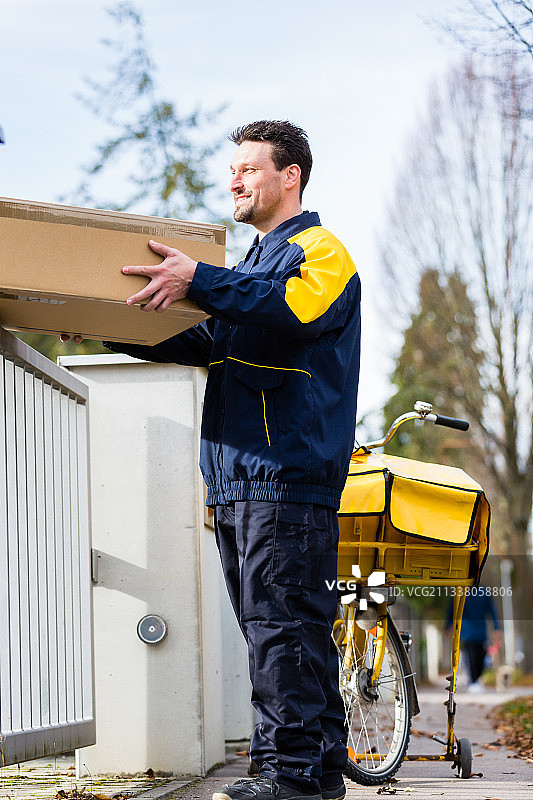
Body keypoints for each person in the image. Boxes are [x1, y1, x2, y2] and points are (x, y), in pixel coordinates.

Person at [88, 120, 360, 800]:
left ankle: (290, 779)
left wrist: (199, 276)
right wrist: (108, 329)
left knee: (281, 633)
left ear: (288, 175)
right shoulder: (247, 269)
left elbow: (297, 309)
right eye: (231, 169)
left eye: (247, 167)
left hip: (285, 476)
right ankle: (311, 772)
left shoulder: (320, 251)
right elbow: (204, 339)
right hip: (243, 478)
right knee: (280, 632)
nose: (232, 179)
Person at [446, 589, 502, 692]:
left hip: (481, 632)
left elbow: (492, 610)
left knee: (481, 656)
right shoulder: (459, 592)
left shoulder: (483, 592)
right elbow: (452, 610)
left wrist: (496, 627)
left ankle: (476, 678)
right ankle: (473, 680)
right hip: (466, 631)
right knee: (471, 655)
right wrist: (447, 626)